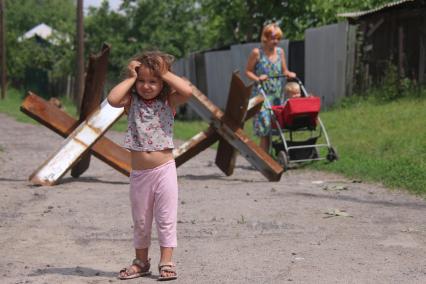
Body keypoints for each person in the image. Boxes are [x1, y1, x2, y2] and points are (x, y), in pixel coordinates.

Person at [107, 51, 193, 281]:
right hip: (140, 175)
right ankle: (141, 262)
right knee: (142, 221)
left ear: (162, 82)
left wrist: (164, 72)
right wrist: (130, 77)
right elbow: (112, 99)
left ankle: (166, 261)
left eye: (153, 81)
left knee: (165, 218)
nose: (146, 86)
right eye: (142, 81)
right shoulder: (131, 102)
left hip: (164, 170)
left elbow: (187, 91)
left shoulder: (169, 101)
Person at [245, 23, 296, 153]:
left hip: (277, 96)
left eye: (278, 38)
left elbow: (284, 70)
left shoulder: (280, 52)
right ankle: (264, 160)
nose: (276, 41)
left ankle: (274, 156)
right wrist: (258, 78)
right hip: (262, 96)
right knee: (265, 129)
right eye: (273, 38)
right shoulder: (257, 53)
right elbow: (248, 71)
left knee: (276, 126)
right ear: (265, 38)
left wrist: (289, 74)